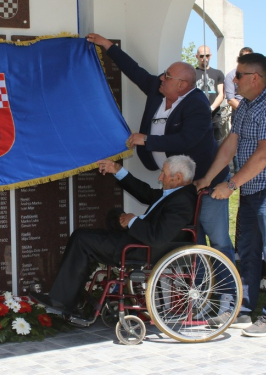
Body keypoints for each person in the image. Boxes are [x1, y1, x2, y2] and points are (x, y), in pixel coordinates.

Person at [85, 32, 235, 310]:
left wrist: (148, 140)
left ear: (183, 85)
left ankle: (229, 299)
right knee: (192, 244)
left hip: (205, 182)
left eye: (167, 76)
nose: (160, 79)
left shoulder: (197, 104)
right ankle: (197, 302)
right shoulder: (161, 90)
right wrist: (108, 47)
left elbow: (187, 139)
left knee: (217, 241)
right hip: (177, 186)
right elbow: (136, 73)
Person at [31, 156, 197, 315]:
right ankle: (71, 297)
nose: (160, 178)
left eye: (164, 174)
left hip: (142, 249)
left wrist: (132, 221)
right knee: (105, 222)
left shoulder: (182, 200)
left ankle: (62, 302)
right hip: (137, 242)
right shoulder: (175, 194)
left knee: (82, 239)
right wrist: (118, 170)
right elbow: (144, 192)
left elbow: (158, 237)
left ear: (178, 177)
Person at [195, 53, 266, 336]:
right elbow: (230, 145)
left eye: (238, 76)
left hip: (261, 189)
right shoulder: (246, 107)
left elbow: (263, 156)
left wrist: (231, 184)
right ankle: (245, 309)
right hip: (251, 191)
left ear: (255, 78)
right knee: (247, 252)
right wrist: (208, 178)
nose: (233, 81)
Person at [195, 45, 225, 142]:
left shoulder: (218, 73)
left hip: (215, 116)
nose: (204, 58)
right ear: (197, 56)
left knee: (217, 143)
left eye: (207, 55)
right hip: (197, 116)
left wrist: (211, 108)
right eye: (202, 56)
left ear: (210, 56)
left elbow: (221, 94)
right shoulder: (192, 73)